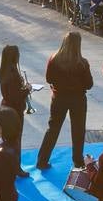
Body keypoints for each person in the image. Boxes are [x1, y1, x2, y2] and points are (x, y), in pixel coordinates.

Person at [35, 30, 95, 175]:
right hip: (78, 99)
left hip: (59, 98)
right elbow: (89, 84)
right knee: (78, 130)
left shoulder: (54, 59)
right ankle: (78, 161)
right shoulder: (82, 63)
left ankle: (42, 160)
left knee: (53, 128)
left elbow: (49, 79)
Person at [0, 43, 30, 150]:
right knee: (15, 139)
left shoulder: (3, 70)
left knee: (6, 138)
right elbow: (15, 96)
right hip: (15, 109)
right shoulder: (13, 73)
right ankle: (14, 163)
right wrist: (27, 89)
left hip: (6, 106)